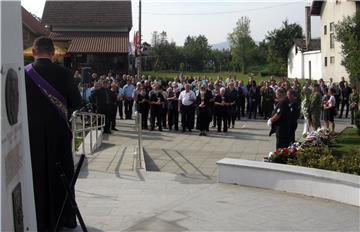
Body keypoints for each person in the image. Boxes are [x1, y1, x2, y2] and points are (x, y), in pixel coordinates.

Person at [24, 37, 82, 231]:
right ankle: (64, 217)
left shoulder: (23, 73)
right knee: (62, 173)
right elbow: (76, 102)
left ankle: (38, 218)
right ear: (53, 53)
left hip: (31, 135)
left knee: (36, 173)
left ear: (33, 52)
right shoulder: (65, 74)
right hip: (58, 133)